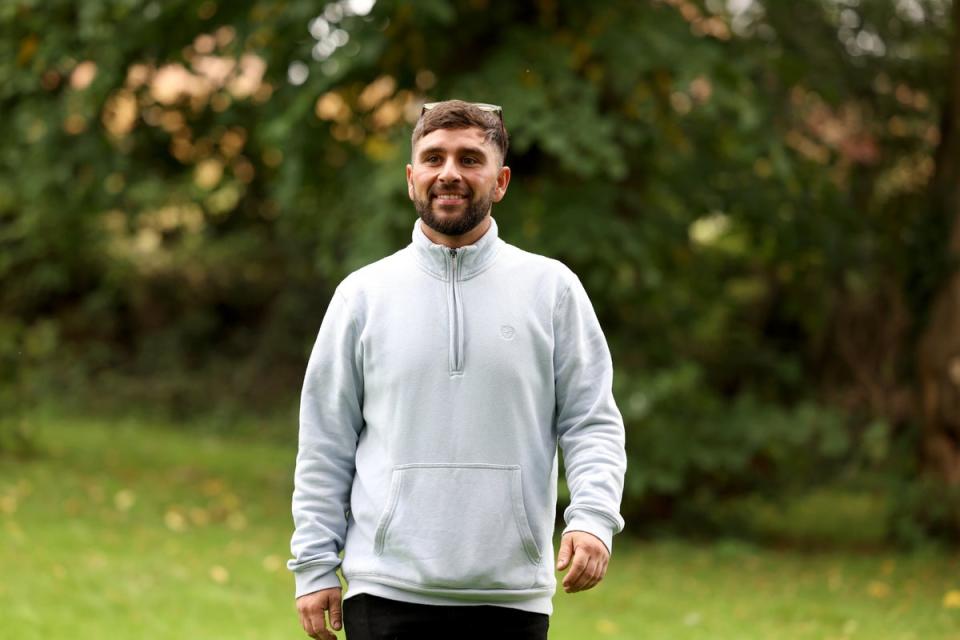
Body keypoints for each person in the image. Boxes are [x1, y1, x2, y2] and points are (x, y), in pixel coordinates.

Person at [288, 100, 627, 640]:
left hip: (511, 597)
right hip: (384, 590)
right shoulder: (362, 296)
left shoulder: (552, 289)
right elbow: (326, 441)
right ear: (411, 178)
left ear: (501, 181)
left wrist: (592, 519)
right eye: (433, 158)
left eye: (471, 159)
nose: (449, 173)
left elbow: (592, 422)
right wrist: (313, 563)